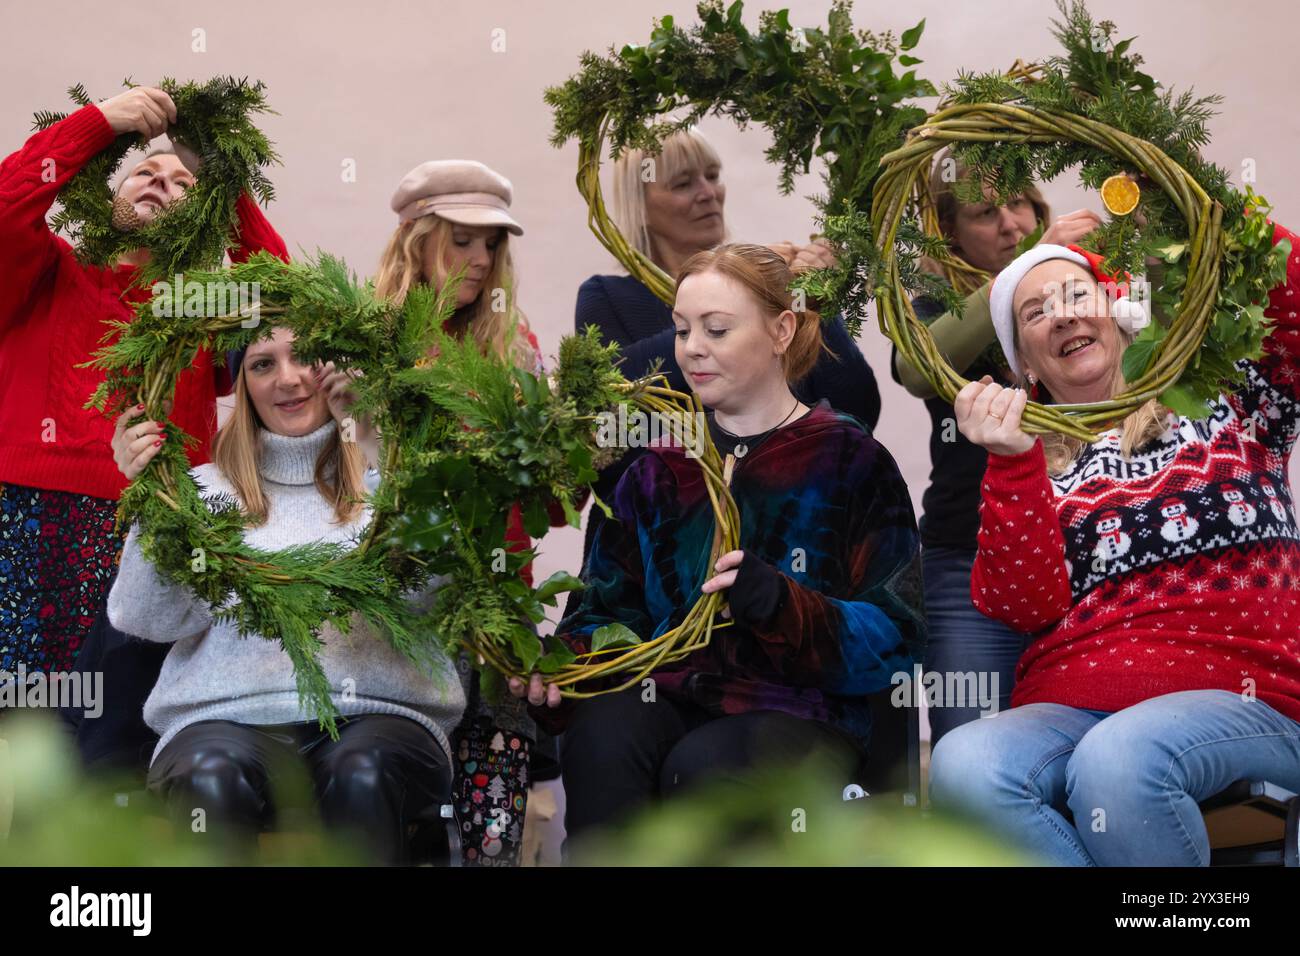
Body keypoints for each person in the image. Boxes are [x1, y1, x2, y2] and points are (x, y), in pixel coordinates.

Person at [515, 243, 925, 841]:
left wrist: (782, 604)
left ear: (782, 329)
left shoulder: (848, 458)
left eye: (717, 329)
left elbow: (897, 633)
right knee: (604, 736)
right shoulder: (657, 466)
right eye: (682, 330)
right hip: (671, 690)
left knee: (702, 768)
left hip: (799, 710)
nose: (692, 348)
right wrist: (563, 674)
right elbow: (606, 609)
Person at [928, 226, 1300, 866]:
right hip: (1071, 703)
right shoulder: (1029, 460)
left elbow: (1288, 296)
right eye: (1034, 314)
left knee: (1118, 759)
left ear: (1120, 309)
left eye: (1076, 294)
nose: (1060, 315)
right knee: (963, 765)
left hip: (1245, 693)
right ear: (1028, 366)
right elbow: (1022, 606)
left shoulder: (1224, 400)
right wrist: (1012, 464)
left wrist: (1197, 207)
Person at [0, 85, 288, 769]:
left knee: (109, 748)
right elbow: (10, 202)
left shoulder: (203, 305)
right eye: (145, 172)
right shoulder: (44, 273)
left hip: (151, 533)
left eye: (182, 182)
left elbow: (276, 290)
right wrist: (100, 124)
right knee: (23, 740)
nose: (162, 183)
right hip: (29, 526)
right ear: (107, 194)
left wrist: (224, 176)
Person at [106, 327, 464, 864]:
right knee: (211, 778)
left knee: (362, 773)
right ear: (244, 385)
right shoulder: (199, 493)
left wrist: (381, 448)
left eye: (306, 357)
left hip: (376, 714)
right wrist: (151, 501)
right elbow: (143, 618)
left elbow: (439, 598)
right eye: (262, 364)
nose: (289, 379)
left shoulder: (385, 475)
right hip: (224, 719)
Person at [565, 128, 883, 629]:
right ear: (639, 202)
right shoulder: (606, 295)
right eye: (683, 182)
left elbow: (859, 405)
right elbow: (612, 413)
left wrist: (809, 301)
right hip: (650, 556)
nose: (707, 192)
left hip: (775, 541)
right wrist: (723, 314)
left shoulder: (771, 293)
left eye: (712, 176)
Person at [375, 159, 571, 865]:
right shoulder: (372, 344)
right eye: (462, 240)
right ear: (415, 240)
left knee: (494, 827)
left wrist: (571, 453)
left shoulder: (516, 346)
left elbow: (550, 503)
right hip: (397, 613)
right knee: (405, 820)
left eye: (492, 245)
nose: (481, 261)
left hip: (498, 609)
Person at [891, 149, 1104, 742]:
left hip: (1090, 548)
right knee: (970, 743)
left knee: (1084, 747)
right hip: (967, 556)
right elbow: (915, 367)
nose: (1011, 224)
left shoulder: (1082, 278)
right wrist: (1030, 268)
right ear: (950, 235)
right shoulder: (933, 300)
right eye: (986, 213)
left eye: (1019, 203)